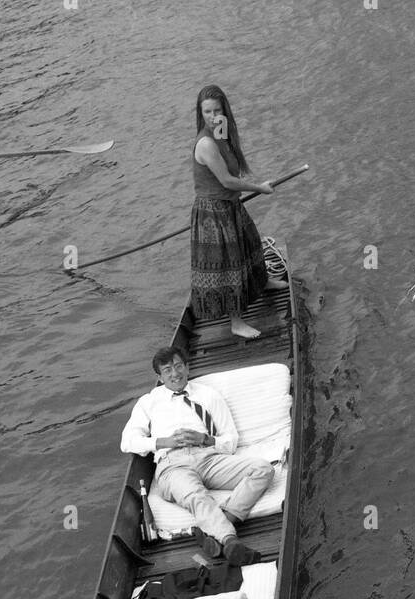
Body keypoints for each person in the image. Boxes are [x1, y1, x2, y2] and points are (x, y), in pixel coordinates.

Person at [120, 345, 273, 564]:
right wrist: (165, 442)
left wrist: (204, 439)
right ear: (160, 377)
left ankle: (219, 525)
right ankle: (230, 541)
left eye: (178, 366)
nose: (175, 374)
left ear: (188, 367)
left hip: (207, 457)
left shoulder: (208, 395)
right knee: (196, 496)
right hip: (172, 465)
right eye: (167, 370)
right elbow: (127, 442)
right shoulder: (149, 402)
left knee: (263, 469)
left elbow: (231, 440)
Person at [191, 84, 287, 340]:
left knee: (251, 243)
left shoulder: (221, 132)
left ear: (225, 111)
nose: (212, 117)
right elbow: (227, 181)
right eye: (207, 112)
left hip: (230, 205)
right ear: (201, 114)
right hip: (214, 212)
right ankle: (236, 322)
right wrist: (260, 188)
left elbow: (233, 166)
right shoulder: (205, 144)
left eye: (217, 110)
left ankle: (262, 282)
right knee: (230, 265)